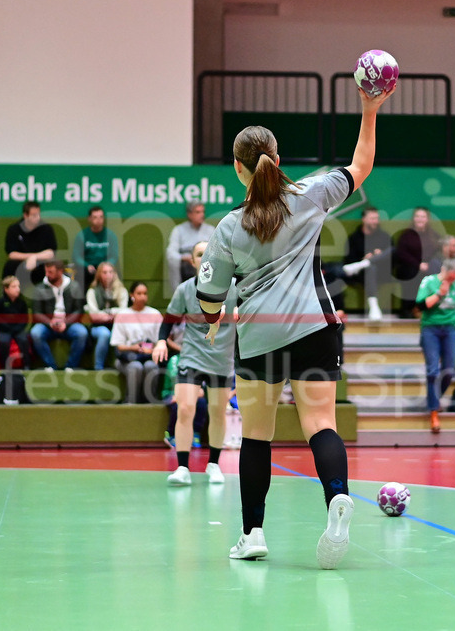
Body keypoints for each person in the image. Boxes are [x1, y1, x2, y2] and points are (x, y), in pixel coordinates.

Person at [195, 84, 394, 569]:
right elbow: (361, 165)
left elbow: (208, 296)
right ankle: (337, 499)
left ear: (238, 168)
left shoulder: (227, 227)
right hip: (315, 329)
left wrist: (213, 319)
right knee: (321, 425)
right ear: (278, 158)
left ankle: (253, 533)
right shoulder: (311, 195)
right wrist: (369, 109)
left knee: (258, 436)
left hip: (260, 340)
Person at [153, 241, 238, 486]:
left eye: (208, 253)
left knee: (217, 412)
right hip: (192, 357)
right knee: (186, 408)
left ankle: (214, 464)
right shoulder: (185, 290)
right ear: (192, 261)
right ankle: (182, 467)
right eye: (199, 254)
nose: (204, 257)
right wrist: (160, 341)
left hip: (221, 360)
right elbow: (168, 320)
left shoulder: (233, 288)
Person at [417, 259, 455, 432]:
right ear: (444, 271)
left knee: (449, 370)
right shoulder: (429, 282)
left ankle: (433, 399)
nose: (453, 280)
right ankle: (434, 412)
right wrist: (439, 294)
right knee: (432, 370)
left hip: (450, 328)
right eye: (451, 276)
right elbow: (421, 305)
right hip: (431, 328)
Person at [30, 260, 88, 371]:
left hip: (69, 323)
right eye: (46, 271)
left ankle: (70, 366)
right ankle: (51, 366)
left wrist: (65, 322)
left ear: (60, 271)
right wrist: (49, 322)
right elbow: (36, 312)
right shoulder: (40, 288)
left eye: (50, 272)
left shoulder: (74, 287)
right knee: (36, 333)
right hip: (48, 324)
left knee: (82, 333)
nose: (47, 275)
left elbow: (79, 310)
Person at [111, 280, 163, 402]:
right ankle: (131, 402)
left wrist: (150, 349)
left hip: (149, 356)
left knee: (151, 366)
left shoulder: (155, 314)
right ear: (132, 295)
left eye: (145, 293)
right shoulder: (122, 315)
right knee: (136, 367)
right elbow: (118, 346)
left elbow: (160, 342)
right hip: (127, 358)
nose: (142, 297)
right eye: (139, 293)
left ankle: (150, 402)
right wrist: (135, 347)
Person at [343, 206, 394, 321]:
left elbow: (392, 259)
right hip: (360, 274)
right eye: (372, 218)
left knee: (391, 250)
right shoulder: (354, 238)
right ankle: (374, 307)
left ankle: (365, 263)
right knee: (370, 268)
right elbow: (348, 262)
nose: (375, 221)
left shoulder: (384, 236)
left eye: (377, 218)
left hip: (383, 272)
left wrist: (379, 256)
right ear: (364, 219)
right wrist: (364, 258)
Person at [393, 207, 440, 316]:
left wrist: (428, 264)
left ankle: (428, 308)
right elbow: (401, 253)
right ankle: (408, 309)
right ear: (413, 219)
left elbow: (439, 252)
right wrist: (418, 264)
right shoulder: (406, 235)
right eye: (417, 216)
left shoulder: (434, 236)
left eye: (423, 217)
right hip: (409, 267)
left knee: (434, 270)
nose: (420, 219)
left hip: (429, 267)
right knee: (411, 273)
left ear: (427, 219)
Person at [3, 200, 57, 289]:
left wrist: (34, 258)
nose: (38, 218)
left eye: (39, 214)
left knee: (52, 266)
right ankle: (9, 296)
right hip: (21, 264)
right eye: (34, 215)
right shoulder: (14, 229)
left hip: (40, 264)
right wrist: (29, 258)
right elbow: (12, 254)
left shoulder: (46, 228)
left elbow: (51, 252)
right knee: (10, 266)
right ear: (25, 215)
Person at [85, 262, 127, 371]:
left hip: (117, 326)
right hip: (97, 326)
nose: (108, 275)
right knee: (104, 333)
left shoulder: (121, 291)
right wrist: (111, 314)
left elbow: (123, 312)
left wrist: (106, 313)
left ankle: (120, 364)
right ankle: (98, 368)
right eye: (104, 272)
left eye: (110, 272)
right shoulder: (92, 291)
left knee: (119, 333)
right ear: (99, 274)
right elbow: (94, 316)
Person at [166, 201, 215, 293]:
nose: (202, 215)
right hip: (186, 265)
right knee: (177, 263)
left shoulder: (210, 230)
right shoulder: (179, 230)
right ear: (189, 214)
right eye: (198, 212)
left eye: (203, 212)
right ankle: (179, 292)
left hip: (205, 264)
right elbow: (171, 253)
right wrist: (184, 258)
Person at [0, 275, 31, 370]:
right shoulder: (1, 302)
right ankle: (4, 368)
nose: (17, 289)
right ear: (6, 289)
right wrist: (5, 327)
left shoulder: (22, 302)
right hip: (4, 329)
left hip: (18, 329)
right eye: (14, 287)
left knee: (24, 340)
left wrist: (18, 328)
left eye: (18, 286)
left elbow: (25, 319)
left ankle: (26, 366)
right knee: (3, 342)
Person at [74, 205, 120, 290]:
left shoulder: (110, 235)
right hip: (88, 268)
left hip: (105, 267)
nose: (98, 220)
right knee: (81, 276)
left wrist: (105, 266)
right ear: (89, 218)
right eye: (95, 217)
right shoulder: (82, 235)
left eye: (101, 217)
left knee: (111, 273)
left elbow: (114, 256)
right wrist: (86, 265)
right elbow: (77, 256)